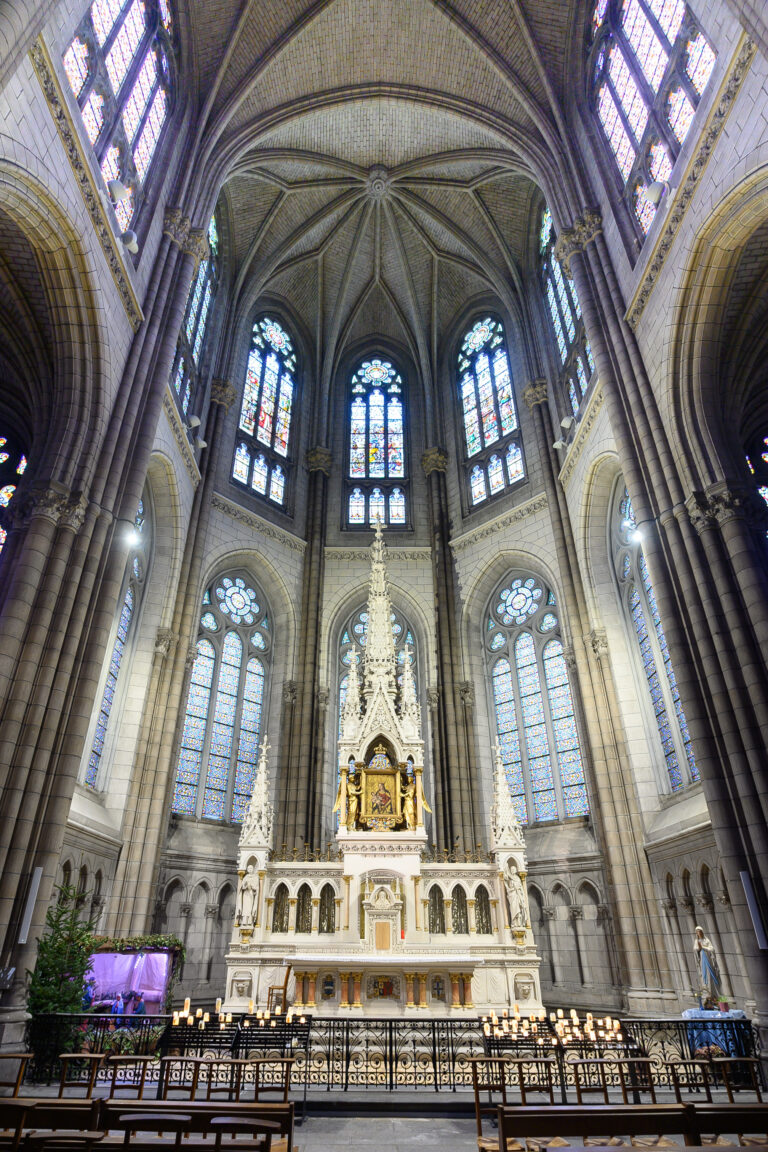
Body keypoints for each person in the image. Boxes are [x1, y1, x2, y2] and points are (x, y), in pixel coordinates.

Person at [694, 925, 721, 1002]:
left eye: (699, 931)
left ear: (701, 932)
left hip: (707, 957)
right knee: (704, 974)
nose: (698, 933)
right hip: (702, 958)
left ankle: (714, 994)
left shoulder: (706, 940)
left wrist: (704, 947)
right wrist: (699, 948)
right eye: (697, 932)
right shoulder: (697, 941)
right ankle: (706, 993)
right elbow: (695, 949)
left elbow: (711, 948)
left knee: (710, 973)